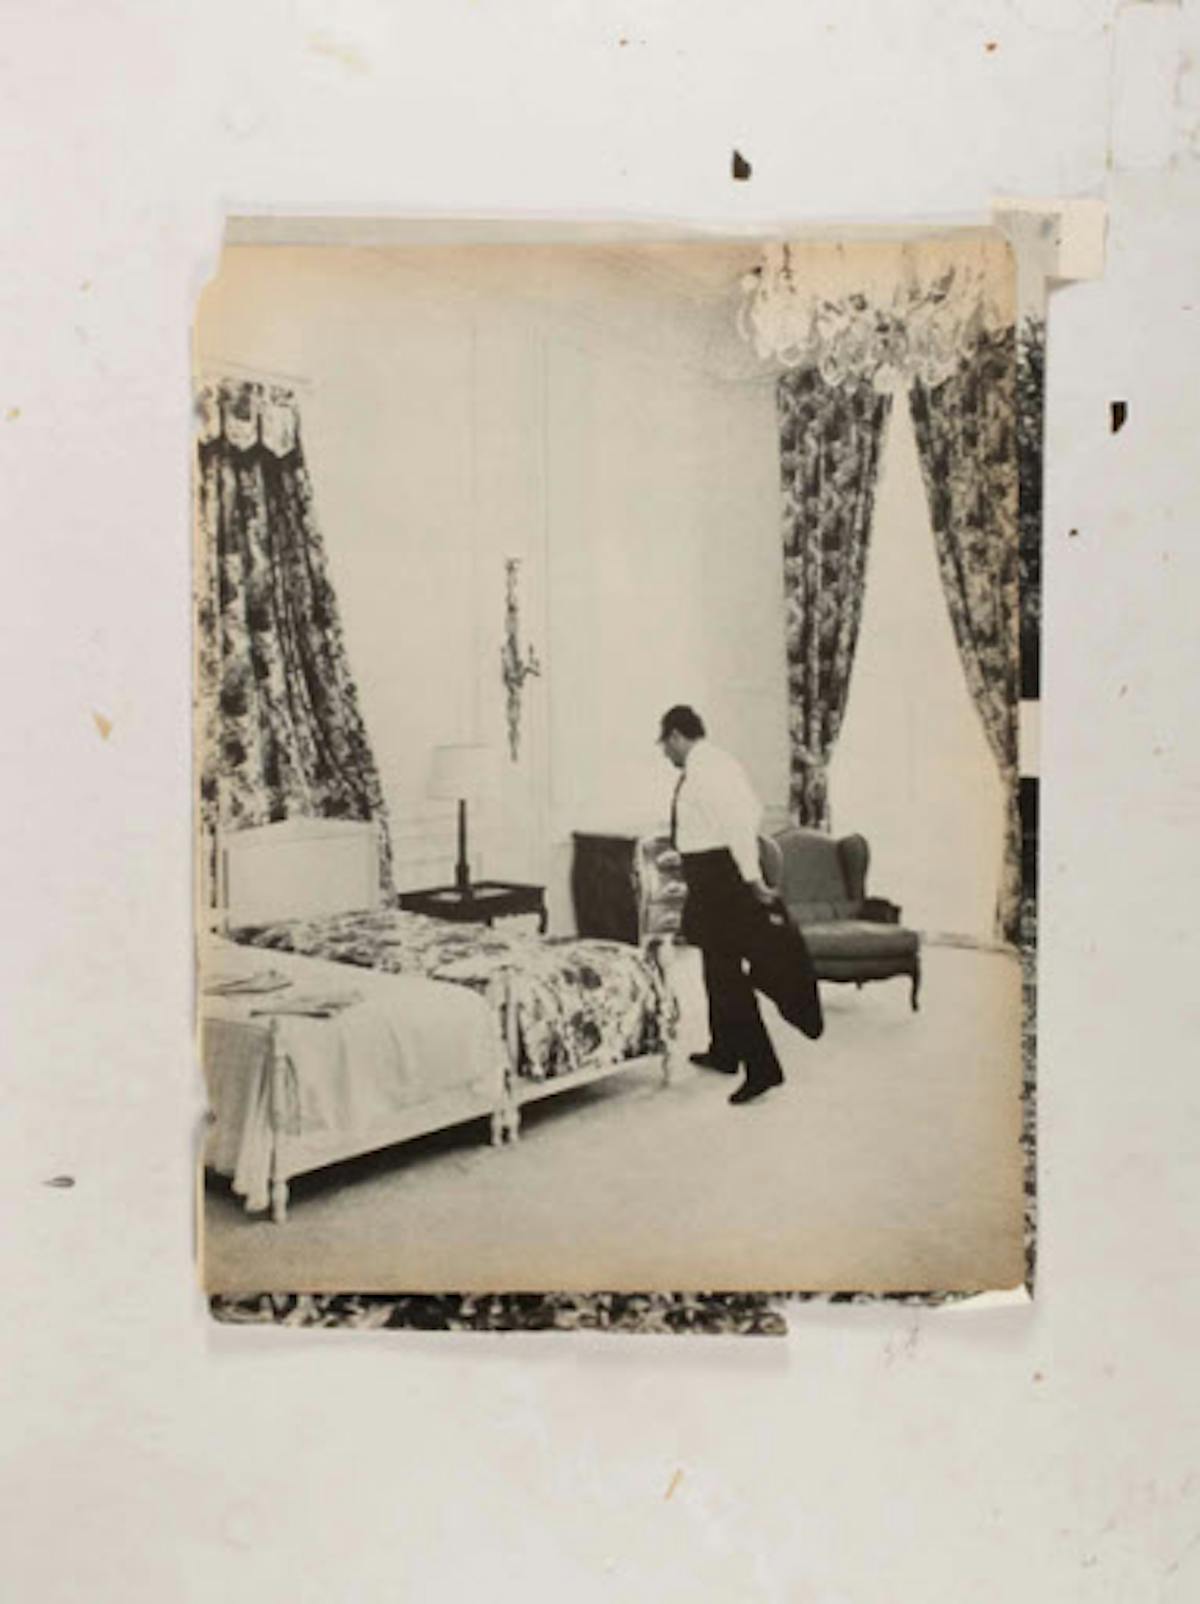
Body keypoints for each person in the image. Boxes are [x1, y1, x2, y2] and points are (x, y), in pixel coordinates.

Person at [658, 704, 786, 1106]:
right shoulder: (712, 764)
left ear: (677, 735)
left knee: (727, 974)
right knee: (714, 967)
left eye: (666, 744)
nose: (665, 752)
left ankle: (762, 1067)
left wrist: (753, 880)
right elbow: (746, 813)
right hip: (709, 876)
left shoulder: (709, 769)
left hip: (720, 880)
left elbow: (738, 826)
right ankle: (724, 1050)